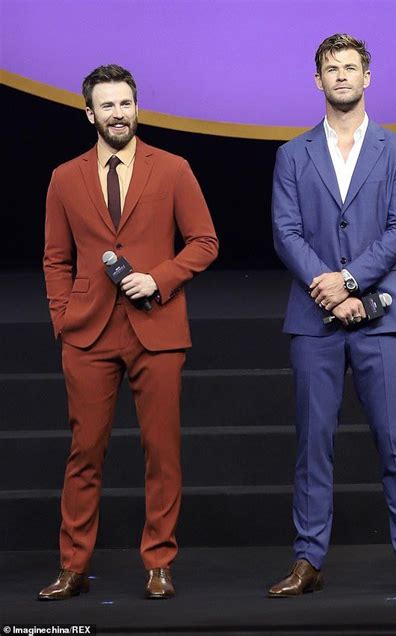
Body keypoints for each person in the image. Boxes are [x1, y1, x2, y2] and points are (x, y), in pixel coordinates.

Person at [269, 34, 396, 597]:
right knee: (312, 442)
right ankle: (307, 560)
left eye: (350, 67)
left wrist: (348, 281)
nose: (341, 75)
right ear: (317, 81)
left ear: (368, 78)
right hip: (313, 319)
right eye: (330, 68)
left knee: (395, 439)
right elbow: (285, 232)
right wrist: (331, 291)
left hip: (380, 317)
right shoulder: (292, 154)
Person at [39, 64, 218, 600]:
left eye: (126, 104)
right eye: (108, 106)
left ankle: (158, 564)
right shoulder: (64, 177)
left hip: (156, 328)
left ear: (137, 107)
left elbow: (204, 242)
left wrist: (157, 278)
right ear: (90, 113)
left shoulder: (173, 168)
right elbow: (55, 258)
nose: (119, 114)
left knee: (161, 453)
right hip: (88, 335)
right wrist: (62, 319)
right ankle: (73, 566)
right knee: (84, 453)